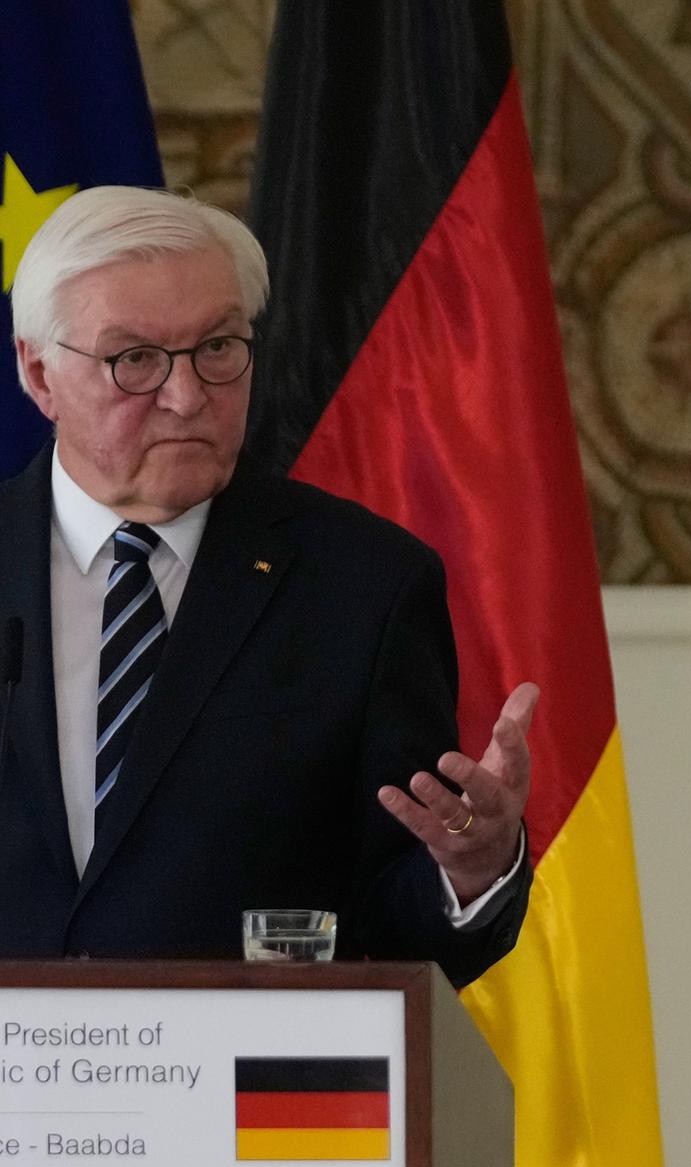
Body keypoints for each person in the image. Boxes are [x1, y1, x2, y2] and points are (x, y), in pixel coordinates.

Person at [0, 187, 535, 989]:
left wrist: (473, 864)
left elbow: (393, 932)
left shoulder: (363, 586)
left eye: (218, 347)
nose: (186, 397)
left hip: (251, 1101)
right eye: (134, 359)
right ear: (39, 373)